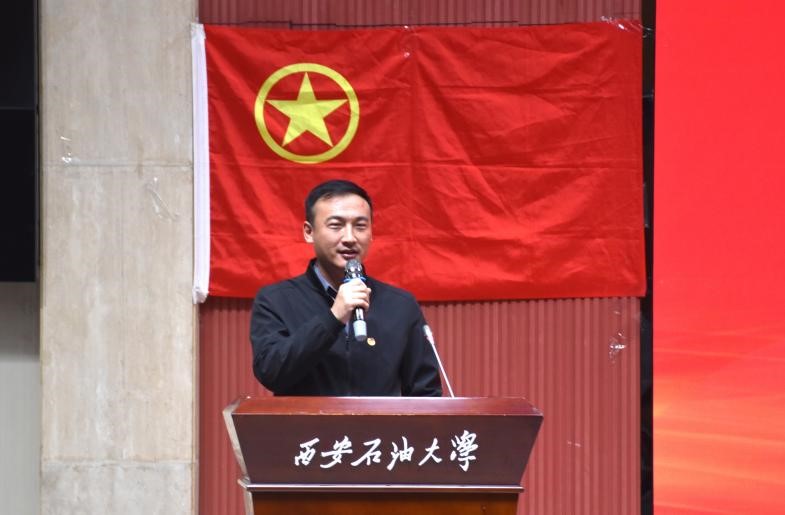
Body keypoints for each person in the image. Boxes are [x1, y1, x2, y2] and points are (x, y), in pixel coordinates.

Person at [250, 179, 443, 396]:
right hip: (305, 420)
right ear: (309, 232)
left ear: (371, 233)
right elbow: (271, 373)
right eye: (336, 226)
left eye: (360, 226)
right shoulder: (276, 300)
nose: (350, 238)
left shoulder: (401, 305)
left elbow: (426, 393)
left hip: (378, 421)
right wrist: (333, 317)